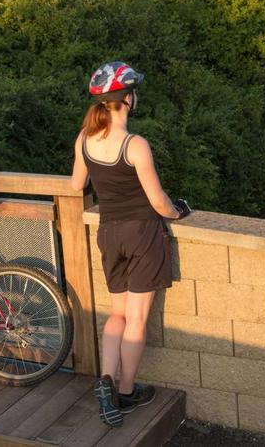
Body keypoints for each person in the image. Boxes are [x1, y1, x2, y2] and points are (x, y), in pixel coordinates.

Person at [70, 61, 191, 428]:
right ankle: (125, 392)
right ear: (127, 99)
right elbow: (158, 202)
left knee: (117, 316)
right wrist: (178, 212)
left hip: (109, 234)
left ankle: (105, 383)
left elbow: (77, 185)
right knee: (136, 320)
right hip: (142, 236)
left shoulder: (85, 139)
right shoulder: (134, 145)